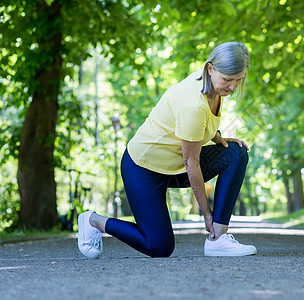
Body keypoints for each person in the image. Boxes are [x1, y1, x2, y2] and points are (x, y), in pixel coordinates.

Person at [77, 41, 257, 258]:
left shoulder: (212, 86)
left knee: (235, 152)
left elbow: (198, 127)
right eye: (228, 80)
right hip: (142, 168)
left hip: (175, 164)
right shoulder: (193, 103)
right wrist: (207, 215)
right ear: (210, 68)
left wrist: (217, 137)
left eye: (239, 80)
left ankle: (218, 239)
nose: (233, 87)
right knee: (159, 247)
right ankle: (93, 221)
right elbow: (193, 163)